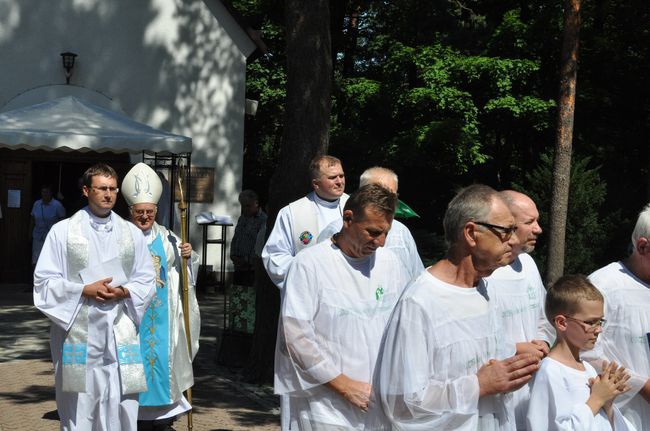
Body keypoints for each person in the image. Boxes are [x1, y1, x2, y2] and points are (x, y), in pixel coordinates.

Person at [377, 184, 540, 430]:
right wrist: (478, 385)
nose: (515, 240)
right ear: (471, 234)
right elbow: (401, 403)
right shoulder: (420, 302)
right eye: (506, 231)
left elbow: (490, 366)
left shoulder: (485, 290)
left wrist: (510, 374)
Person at [275, 184, 410, 430]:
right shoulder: (309, 265)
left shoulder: (390, 263)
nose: (380, 242)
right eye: (373, 232)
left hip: (377, 404)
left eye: (385, 233)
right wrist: (345, 386)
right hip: (325, 407)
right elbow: (295, 338)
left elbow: (404, 328)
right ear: (348, 219)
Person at [33, 163, 156, 431]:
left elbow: (147, 279)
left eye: (113, 189)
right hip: (79, 331)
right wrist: (83, 290)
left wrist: (123, 292)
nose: (108, 194)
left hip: (119, 328)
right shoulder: (63, 232)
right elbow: (43, 283)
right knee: (80, 402)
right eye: (102, 188)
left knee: (121, 399)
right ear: (87, 190)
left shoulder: (132, 233)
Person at [121, 163, 200, 431]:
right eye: (139, 212)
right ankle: (132, 417)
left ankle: (163, 420)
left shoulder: (167, 238)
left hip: (163, 317)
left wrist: (187, 257)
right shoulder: (121, 237)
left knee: (163, 366)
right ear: (130, 212)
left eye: (149, 212)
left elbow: (183, 276)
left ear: (156, 211)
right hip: (132, 317)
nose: (145, 217)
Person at [483, 190, 555, 429]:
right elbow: (475, 335)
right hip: (500, 388)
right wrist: (516, 348)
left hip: (533, 383)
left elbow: (545, 316)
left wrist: (544, 342)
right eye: (529, 222)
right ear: (508, 225)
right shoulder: (485, 273)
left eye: (537, 220)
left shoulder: (529, 264)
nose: (538, 229)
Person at [526, 274, 635, 431]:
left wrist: (608, 403)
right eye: (590, 322)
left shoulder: (588, 369)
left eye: (600, 321)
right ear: (562, 323)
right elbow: (551, 427)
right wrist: (597, 399)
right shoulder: (550, 371)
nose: (598, 329)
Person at [583, 203, 650, 430]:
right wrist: (642, 385)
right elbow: (585, 353)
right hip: (627, 414)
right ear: (642, 247)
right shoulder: (603, 287)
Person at [318, 167, 424, 282]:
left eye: (392, 196)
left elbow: (417, 276)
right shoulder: (334, 230)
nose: (386, 201)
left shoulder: (402, 231)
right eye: (378, 193)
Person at [262, 155, 348, 290]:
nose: (339, 181)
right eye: (332, 177)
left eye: (341, 176)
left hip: (348, 288)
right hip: (310, 290)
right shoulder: (292, 212)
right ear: (316, 183)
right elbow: (275, 256)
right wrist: (307, 272)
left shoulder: (357, 207)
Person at [231, 189, 267, 286]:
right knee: (237, 295)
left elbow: (260, 243)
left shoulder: (263, 220)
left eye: (248, 206)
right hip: (238, 266)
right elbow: (236, 237)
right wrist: (233, 254)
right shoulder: (242, 218)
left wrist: (248, 260)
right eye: (243, 206)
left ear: (256, 203)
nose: (245, 209)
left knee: (249, 296)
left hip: (252, 268)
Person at [30, 184, 66, 268]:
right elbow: (32, 219)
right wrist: (29, 234)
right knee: (35, 259)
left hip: (51, 237)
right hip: (37, 236)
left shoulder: (57, 205)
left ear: (51, 193)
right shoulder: (37, 204)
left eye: (47, 192)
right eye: (43, 192)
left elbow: (63, 220)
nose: (44, 194)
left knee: (49, 259)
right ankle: (34, 279)